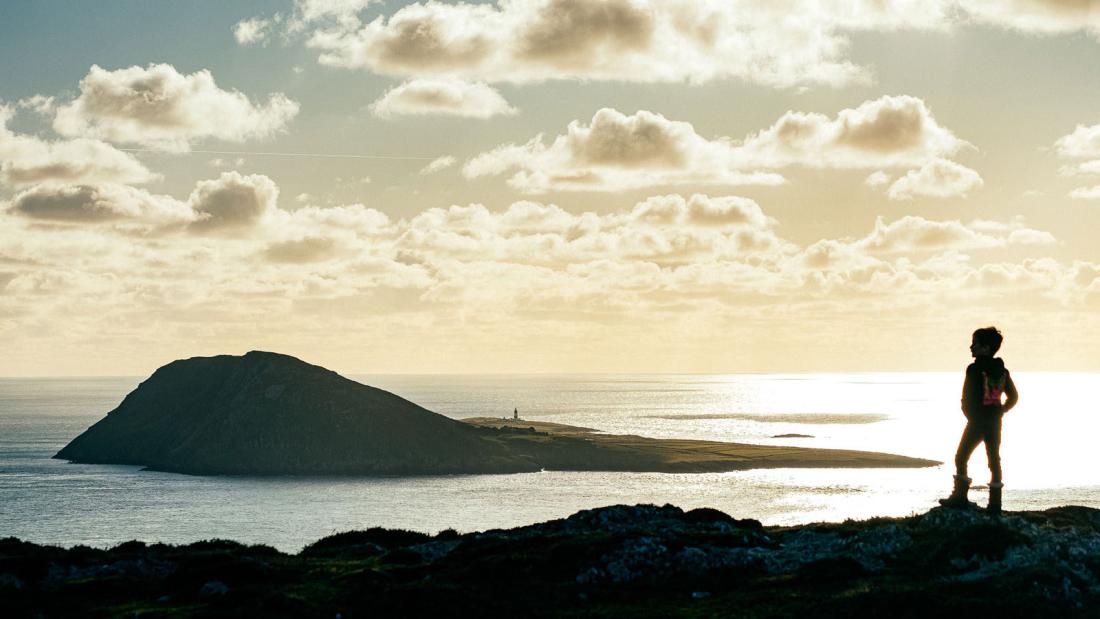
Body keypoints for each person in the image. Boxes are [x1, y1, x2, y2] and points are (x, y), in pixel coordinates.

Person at [939, 327, 1018, 514]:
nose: (971, 346)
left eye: (975, 343)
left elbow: (966, 397)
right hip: (994, 422)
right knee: (994, 460)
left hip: (976, 422)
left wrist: (970, 415)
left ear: (985, 347)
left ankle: (959, 497)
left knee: (961, 456)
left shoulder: (973, 369)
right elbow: (1013, 396)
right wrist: (1001, 411)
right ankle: (995, 505)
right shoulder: (1002, 370)